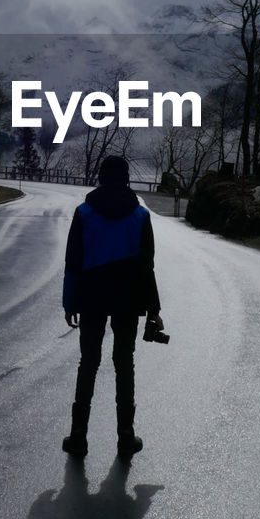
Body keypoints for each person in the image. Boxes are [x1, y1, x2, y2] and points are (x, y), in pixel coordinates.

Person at [61, 154, 164, 458]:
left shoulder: (84, 213)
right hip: (128, 298)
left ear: (101, 178)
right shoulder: (141, 217)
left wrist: (70, 302)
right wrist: (154, 310)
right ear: (127, 178)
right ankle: (125, 438)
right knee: (124, 365)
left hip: (92, 296)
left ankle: (78, 437)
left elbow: (73, 263)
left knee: (88, 364)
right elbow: (147, 266)